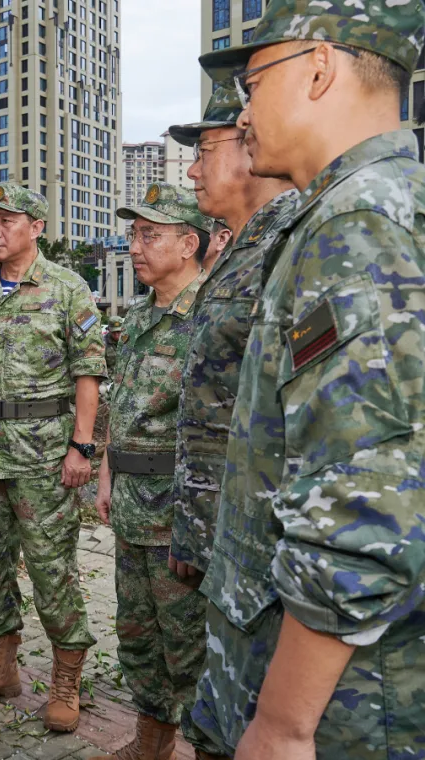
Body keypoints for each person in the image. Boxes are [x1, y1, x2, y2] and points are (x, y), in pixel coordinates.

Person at [190, 2, 425, 758]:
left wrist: (284, 724)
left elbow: (364, 509)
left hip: (344, 711)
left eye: (253, 82)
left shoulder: (358, 223)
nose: (241, 109)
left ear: (319, 68)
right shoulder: (360, 206)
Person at [0, 184, 105, 733]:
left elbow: (88, 373)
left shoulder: (67, 289)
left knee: (50, 568)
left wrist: (82, 446)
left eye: (6, 219)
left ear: (36, 227)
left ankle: (66, 681)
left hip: (42, 454)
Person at [92, 183, 216, 760]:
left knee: (189, 639)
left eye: (150, 236)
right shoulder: (140, 316)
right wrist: (106, 476)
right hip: (132, 501)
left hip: (180, 509)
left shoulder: (213, 317)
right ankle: (151, 741)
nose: (136, 247)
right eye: (133, 235)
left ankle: (203, 746)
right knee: (136, 631)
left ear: (189, 243)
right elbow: (121, 403)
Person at [165, 86, 297, 582]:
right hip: (218, 532)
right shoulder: (237, 254)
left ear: (250, 145)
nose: (193, 170)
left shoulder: (290, 244)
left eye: (204, 153)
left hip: (263, 545)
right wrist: (192, 521)